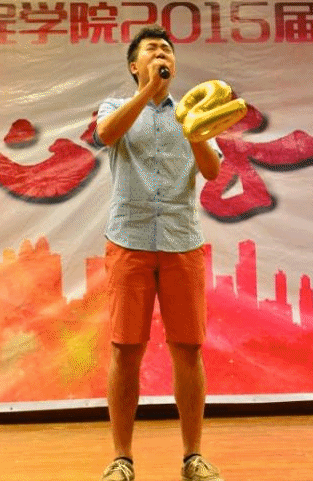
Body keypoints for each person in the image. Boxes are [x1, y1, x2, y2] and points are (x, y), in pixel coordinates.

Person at [93, 26, 223, 481]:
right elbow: (106, 135)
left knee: (188, 349)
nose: (162, 53)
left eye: (167, 49)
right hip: (128, 242)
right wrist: (149, 91)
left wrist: (194, 127)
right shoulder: (115, 106)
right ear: (135, 65)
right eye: (152, 49)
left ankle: (193, 457)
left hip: (181, 241)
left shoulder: (194, 112)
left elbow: (212, 170)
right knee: (125, 349)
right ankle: (121, 458)